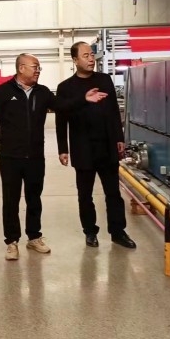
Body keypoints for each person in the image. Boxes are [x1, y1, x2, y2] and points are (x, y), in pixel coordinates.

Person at [0, 53, 107, 261]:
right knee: (10, 200)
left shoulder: (42, 92)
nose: (38, 71)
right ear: (21, 68)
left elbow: (62, 106)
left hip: (35, 156)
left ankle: (34, 237)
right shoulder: (4, 91)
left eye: (39, 67)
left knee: (34, 198)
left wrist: (84, 99)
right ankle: (12, 242)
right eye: (35, 67)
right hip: (10, 157)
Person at [56, 42, 136, 249]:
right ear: (75, 60)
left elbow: (113, 111)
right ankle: (90, 231)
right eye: (85, 56)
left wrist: (119, 138)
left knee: (113, 193)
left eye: (92, 55)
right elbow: (61, 119)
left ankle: (118, 232)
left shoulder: (104, 80)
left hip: (106, 146)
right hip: (82, 148)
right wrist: (63, 148)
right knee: (85, 195)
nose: (91, 59)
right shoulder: (65, 88)